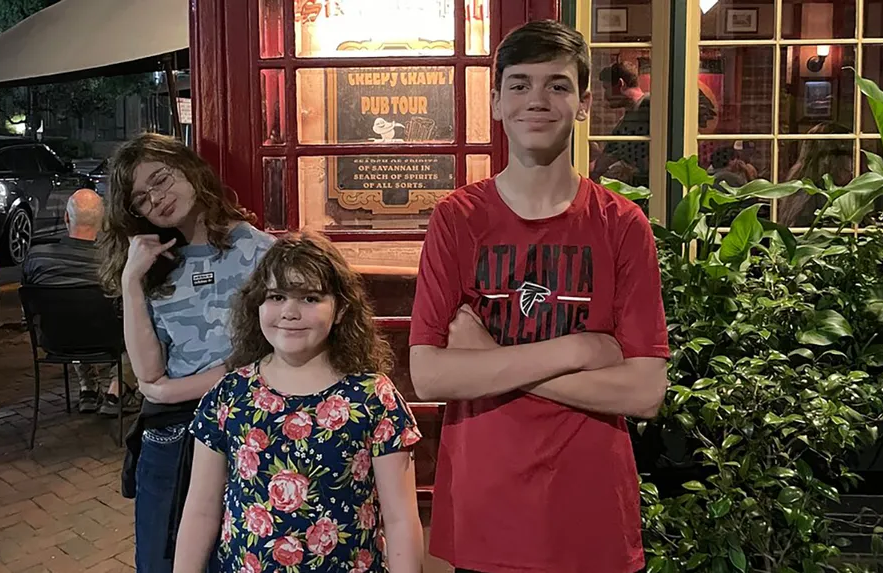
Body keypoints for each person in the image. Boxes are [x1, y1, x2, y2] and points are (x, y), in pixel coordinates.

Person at [409, 20, 670, 573]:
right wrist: (577, 350)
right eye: (521, 84)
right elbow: (429, 375)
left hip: (591, 515)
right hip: (487, 512)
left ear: (583, 103)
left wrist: (486, 358)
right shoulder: (456, 219)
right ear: (497, 101)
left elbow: (644, 392)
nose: (538, 100)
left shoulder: (622, 225)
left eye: (557, 85)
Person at [174, 231, 423, 573]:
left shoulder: (372, 397)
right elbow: (201, 509)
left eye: (309, 298)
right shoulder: (230, 395)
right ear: (256, 304)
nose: (289, 312)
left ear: (340, 310)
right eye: (276, 296)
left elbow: (400, 520)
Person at [99, 133, 275, 573]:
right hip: (176, 438)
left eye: (161, 179)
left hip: (249, 427)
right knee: (164, 561)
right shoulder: (152, 263)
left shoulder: (261, 252)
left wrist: (173, 390)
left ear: (189, 169)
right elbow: (147, 371)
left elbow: (271, 357)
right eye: (141, 198)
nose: (156, 199)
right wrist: (130, 282)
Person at [21, 188, 139, 416]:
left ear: (66, 218)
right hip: (108, 340)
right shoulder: (114, 261)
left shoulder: (37, 258)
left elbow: (30, 310)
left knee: (69, 315)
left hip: (55, 341)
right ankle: (118, 391)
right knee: (142, 321)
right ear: (103, 222)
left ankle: (88, 389)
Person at [590, 61, 651, 187]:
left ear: (620, 84)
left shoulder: (650, 105)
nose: (605, 96)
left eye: (606, 89)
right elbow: (602, 163)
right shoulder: (623, 123)